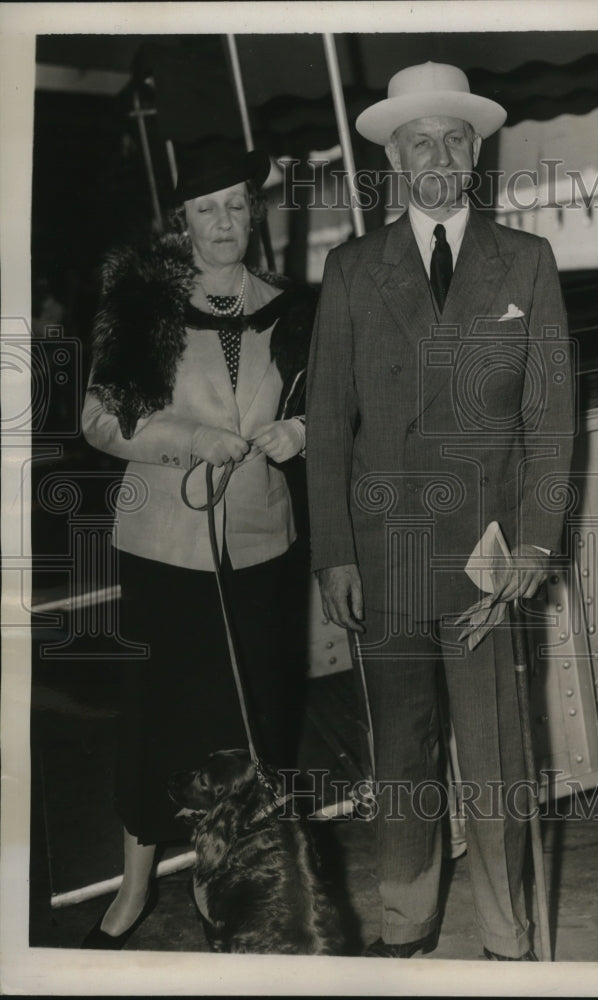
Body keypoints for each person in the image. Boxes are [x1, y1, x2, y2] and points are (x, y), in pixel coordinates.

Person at [305, 62, 574, 959]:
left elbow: (551, 417)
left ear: (476, 150)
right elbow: (329, 426)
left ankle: (506, 933)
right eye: (421, 141)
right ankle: (405, 920)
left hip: (486, 556)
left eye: (455, 138)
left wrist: (537, 539)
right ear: (392, 158)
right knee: (403, 752)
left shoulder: (525, 262)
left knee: (495, 753)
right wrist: (333, 553)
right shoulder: (350, 271)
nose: (441, 156)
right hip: (384, 555)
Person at [80, 137, 316, 948]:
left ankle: (240, 887)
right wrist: (188, 439)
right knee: (156, 720)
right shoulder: (142, 303)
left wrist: (299, 429)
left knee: (253, 726)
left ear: (255, 212)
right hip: (164, 552)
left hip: (259, 548)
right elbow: (101, 420)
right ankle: (134, 892)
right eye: (206, 209)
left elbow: (331, 401)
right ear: (180, 224)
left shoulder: (291, 304)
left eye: (238, 205)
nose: (225, 222)